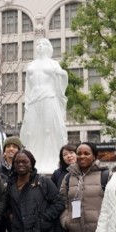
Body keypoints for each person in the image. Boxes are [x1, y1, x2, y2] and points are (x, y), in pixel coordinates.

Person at [19, 38, 69, 174]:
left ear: (49, 47)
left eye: (44, 44)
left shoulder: (53, 64)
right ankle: (34, 160)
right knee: (32, 130)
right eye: (38, 44)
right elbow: (28, 87)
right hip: (34, 99)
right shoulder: (31, 65)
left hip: (48, 96)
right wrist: (27, 103)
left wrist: (61, 74)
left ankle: (51, 160)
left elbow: (63, 79)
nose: (40, 46)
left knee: (49, 129)